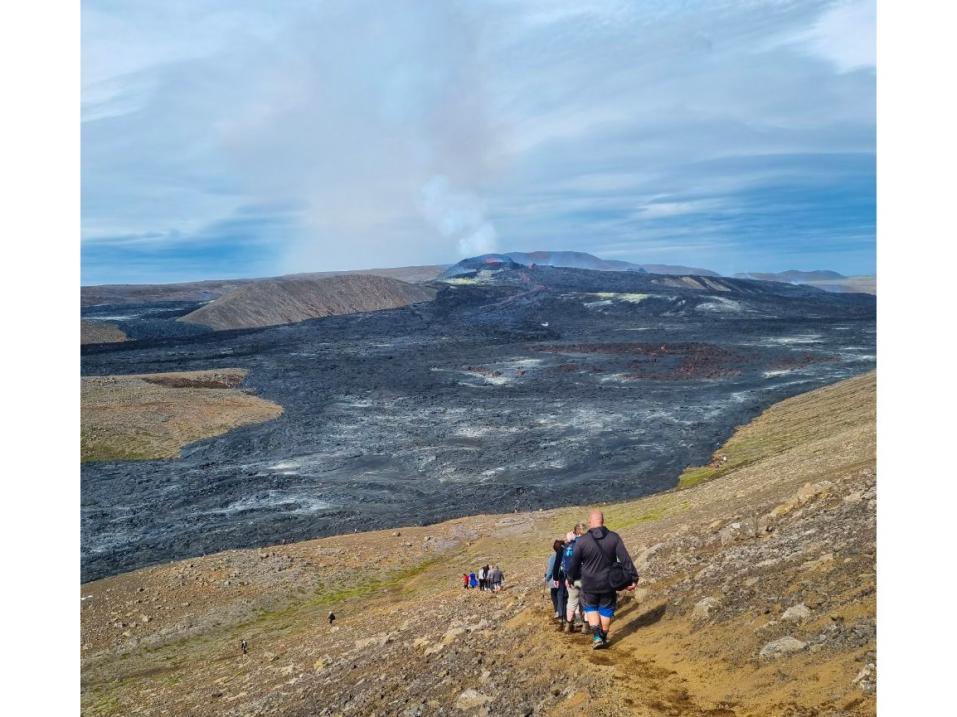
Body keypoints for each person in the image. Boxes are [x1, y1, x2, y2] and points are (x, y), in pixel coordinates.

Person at [566, 509, 638, 650]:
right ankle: (603, 635)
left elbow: (574, 563)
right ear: (603, 521)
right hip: (608, 582)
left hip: (589, 583)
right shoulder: (614, 537)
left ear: (590, 522)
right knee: (606, 609)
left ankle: (597, 637)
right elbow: (625, 559)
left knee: (591, 607)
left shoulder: (582, 541)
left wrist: (570, 578)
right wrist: (633, 578)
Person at [561, 525, 588, 633]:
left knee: (571, 602)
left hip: (570, 578)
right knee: (587, 601)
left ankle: (568, 625)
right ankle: (585, 626)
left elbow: (563, 564)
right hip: (585, 577)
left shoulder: (568, 546)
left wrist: (567, 577)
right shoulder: (586, 544)